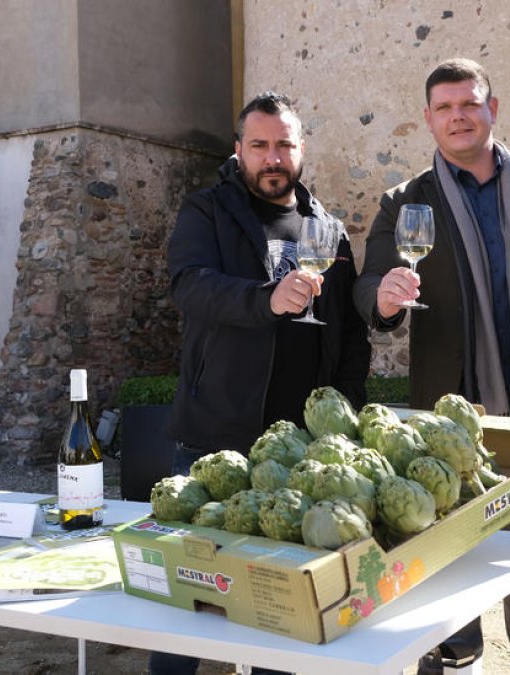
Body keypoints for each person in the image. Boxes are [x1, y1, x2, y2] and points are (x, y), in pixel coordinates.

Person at [354, 58, 510, 675]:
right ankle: (456, 658)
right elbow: (370, 282)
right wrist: (383, 295)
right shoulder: (406, 201)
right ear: (428, 120)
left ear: (492, 109)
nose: (459, 117)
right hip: (452, 418)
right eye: (445, 108)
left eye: (469, 104)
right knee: (448, 553)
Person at [153, 91, 370, 675]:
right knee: (190, 600)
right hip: (215, 436)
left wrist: (344, 415)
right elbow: (190, 286)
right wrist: (264, 298)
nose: (272, 157)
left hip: (301, 451)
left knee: (286, 602)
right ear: (239, 149)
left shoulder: (325, 227)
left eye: (284, 145)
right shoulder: (206, 211)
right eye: (260, 145)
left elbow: (350, 334)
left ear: (301, 150)